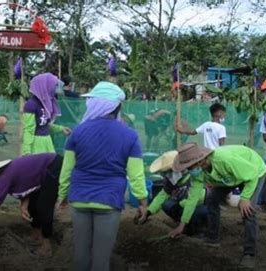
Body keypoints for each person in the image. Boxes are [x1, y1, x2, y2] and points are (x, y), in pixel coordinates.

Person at [58, 82, 148, 271]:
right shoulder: (130, 135)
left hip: (79, 199)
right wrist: (142, 201)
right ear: (117, 107)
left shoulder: (77, 132)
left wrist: (63, 196)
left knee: (81, 254)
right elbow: (136, 175)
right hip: (109, 201)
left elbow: (66, 170)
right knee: (101, 259)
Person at [173, 143, 266, 269]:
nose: (189, 171)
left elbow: (252, 173)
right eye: (187, 168)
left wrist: (244, 198)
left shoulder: (223, 160)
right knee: (212, 199)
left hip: (253, 171)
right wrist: (182, 224)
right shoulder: (198, 173)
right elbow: (192, 199)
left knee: (247, 210)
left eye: (190, 167)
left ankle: (249, 253)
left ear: (200, 161)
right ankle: (213, 238)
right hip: (230, 177)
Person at [0, 154, 63, 257]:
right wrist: (24, 205)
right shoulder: (6, 172)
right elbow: (28, 184)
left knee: (43, 207)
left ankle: (46, 248)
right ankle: (36, 235)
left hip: (53, 166)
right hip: (44, 172)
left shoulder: (3, 178)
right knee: (32, 206)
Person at [139, 150, 208, 237]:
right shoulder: (170, 180)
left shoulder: (193, 175)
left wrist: (182, 222)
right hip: (184, 203)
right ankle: (185, 224)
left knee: (198, 212)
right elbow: (162, 195)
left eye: (169, 172)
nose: (167, 175)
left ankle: (199, 230)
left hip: (199, 204)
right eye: (165, 173)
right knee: (167, 204)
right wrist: (147, 213)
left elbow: (194, 201)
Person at [22, 73, 71, 155]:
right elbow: (29, 129)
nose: (55, 88)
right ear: (44, 87)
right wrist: (27, 151)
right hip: (36, 145)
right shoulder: (31, 104)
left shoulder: (46, 103)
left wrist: (61, 129)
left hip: (47, 142)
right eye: (54, 85)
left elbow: (45, 125)